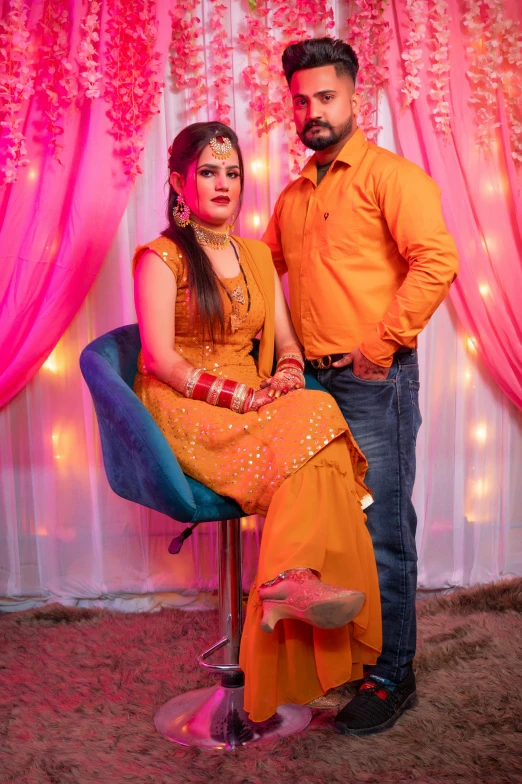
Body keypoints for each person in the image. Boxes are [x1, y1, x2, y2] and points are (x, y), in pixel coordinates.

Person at [132, 121, 381, 723]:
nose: (223, 184)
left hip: (250, 395)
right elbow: (161, 360)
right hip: (184, 405)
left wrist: (288, 378)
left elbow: (288, 342)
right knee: (316, 430)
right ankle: (290, 581)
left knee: (316, 410)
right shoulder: (159, 259)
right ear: (178, 182)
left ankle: (288, 581)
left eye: (233, 172)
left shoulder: (255, 256)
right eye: (209, 172)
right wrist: (248, 401)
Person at [263, 38, 459, 735]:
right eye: (301, 101)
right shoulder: (290, 197)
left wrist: (379, 348)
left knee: (381, 534)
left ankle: (393, 675)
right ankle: (344, 662)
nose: (312, 112)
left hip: (374, 381)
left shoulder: (391, 178)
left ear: (355, 98)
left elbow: (437, 262)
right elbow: (264, 283)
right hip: (309, 387)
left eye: (325, 97)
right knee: (324, 534)